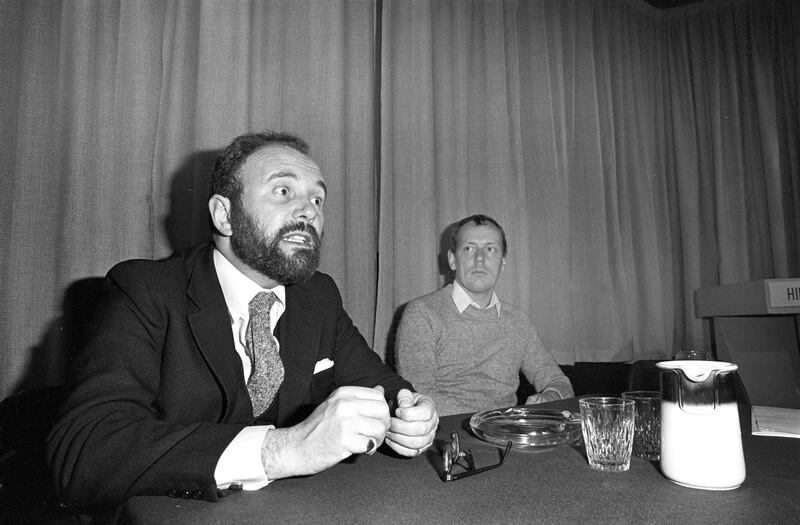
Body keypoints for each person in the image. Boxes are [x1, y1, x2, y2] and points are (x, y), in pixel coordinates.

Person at [47, 131, 438, 511]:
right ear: (225, 214)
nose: (310, 211)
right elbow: (84, 450)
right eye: (284, 191)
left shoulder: (318, 295)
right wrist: (286, 449)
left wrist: (411, 412)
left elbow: (382, 385)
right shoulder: (146, 290)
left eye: (318, 198)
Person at [395, 214, 573, 416]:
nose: (479, 258)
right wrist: (494, 421)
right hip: (447, 437)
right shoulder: (422, 314)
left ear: (503, 263)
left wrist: (551, 396)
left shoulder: (517, 322)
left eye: (490, 249)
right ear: (452, 259)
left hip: (508, 436)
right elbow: (418, 395)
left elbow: (558, 382)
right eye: (469, 248)